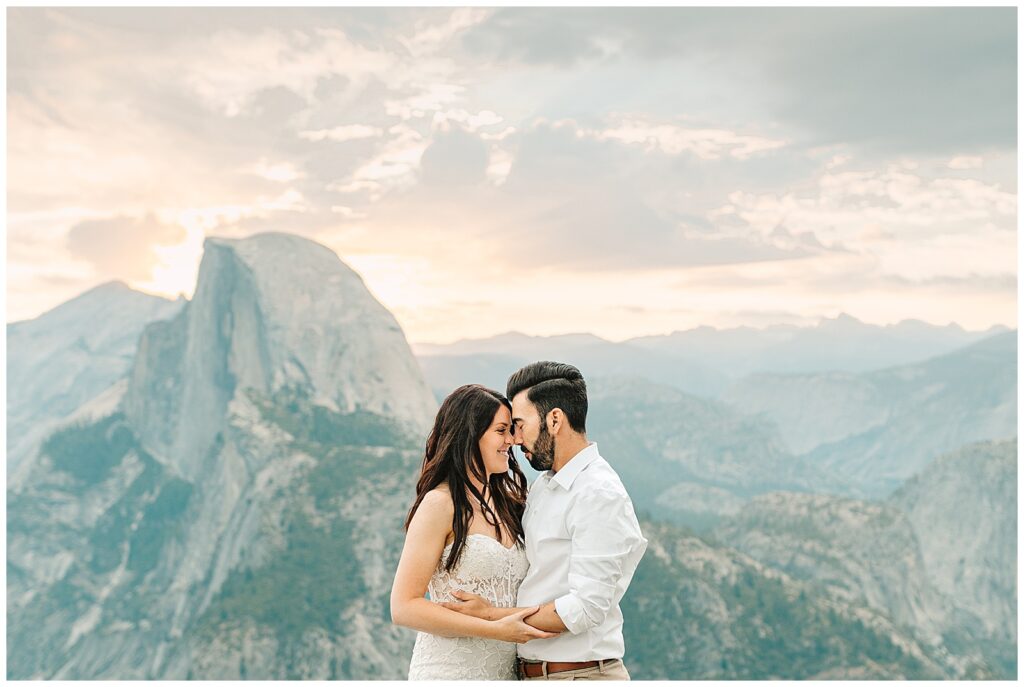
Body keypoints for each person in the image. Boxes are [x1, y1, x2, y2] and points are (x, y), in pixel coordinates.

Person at [441, 361, 648, 680]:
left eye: (520, 424)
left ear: (554, 420)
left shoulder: (597, 494)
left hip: (581, 676)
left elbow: (584, 608)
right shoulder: (544, 486)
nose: (514, 438)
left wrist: (491, 616)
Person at [391, 383, 561, 680]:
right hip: (449, 671)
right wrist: (493, 628)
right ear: (470, 434)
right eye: (502, 430)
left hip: (506, 673)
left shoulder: (511, 504)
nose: (512, 440)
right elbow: (404, 607)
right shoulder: (440, 504)